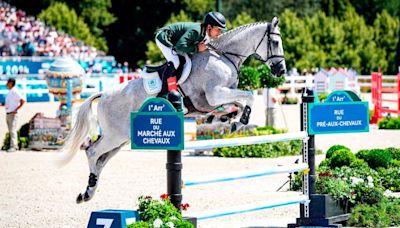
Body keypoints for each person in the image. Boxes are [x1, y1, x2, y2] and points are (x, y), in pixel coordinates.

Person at [155, 11, 226, 91]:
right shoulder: (196, 31)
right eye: (218, 29)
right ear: (209, 27)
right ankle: (164, 92)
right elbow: (180, 46)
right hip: (164, 38)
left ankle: (175, 87)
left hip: (175, 42)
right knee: (175, 61)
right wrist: (196, 48)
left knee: (183, 61)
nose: (220, 33)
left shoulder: (205, 34)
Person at [5, 78, 25, 152]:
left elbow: (23, 100)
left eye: (7, 82)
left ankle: (14, 146)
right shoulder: (11, 91)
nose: (6, 84)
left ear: (11, 83)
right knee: (11, 130)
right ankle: (12, 145)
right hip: (8, 113)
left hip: (13, 114)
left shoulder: (15, 91)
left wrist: (17, 109)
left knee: (13, 130)